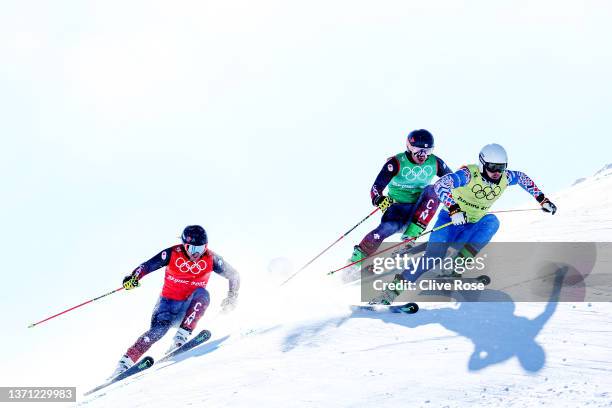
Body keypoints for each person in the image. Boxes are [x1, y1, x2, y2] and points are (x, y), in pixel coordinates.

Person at [371, 143, 557, 304]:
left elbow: (523, 178)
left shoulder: (505, 177)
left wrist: (542, 199)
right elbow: (440, 186)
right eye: (492, 167)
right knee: (431, 259)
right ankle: (390, 292)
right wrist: (453, 209)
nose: (496, 172)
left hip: (473, 225)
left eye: (501, 168)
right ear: (482, 163)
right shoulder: (469, 174)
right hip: (450, 222)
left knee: (492, 222)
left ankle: (454, 267)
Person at [110, 225, 240, 377]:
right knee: (158, 331)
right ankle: (124, 363)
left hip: (187, 310)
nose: (196, 254)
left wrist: (232, 296)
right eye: (192, 249)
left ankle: (180, 338)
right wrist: (133, 278)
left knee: (203, 294)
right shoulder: (172, 253)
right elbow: (147, 266)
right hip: (166, 307)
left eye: (201, 248)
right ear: (184, 245)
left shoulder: (211, 259)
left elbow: (234, 275)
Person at [347, 129, 452, 272]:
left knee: (434, 189)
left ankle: (409, 239)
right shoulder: (396, 162)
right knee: (386, 228)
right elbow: (376, 187)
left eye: (427, 151)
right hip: (397, 209)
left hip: (419, 209)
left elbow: (453, 180)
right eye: (417, 149)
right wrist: (378, 199)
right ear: (409, 147)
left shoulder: (435, 162)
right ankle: (353, 263)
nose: (422, 155)